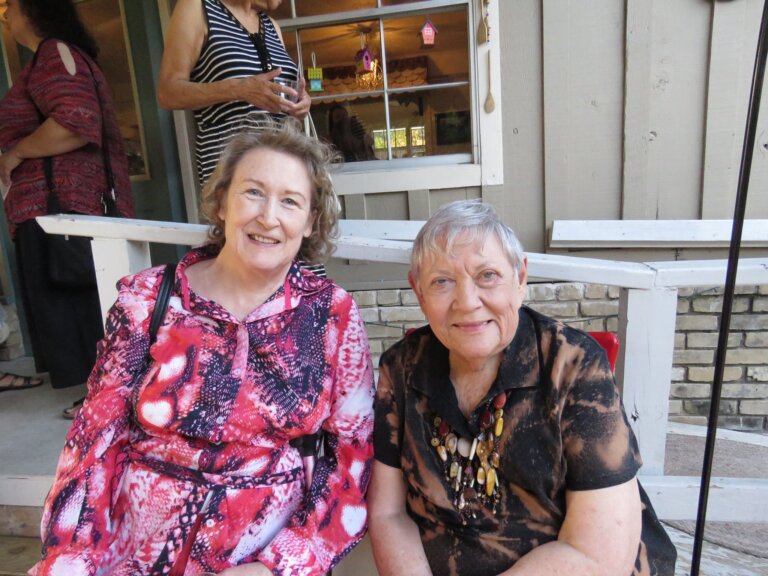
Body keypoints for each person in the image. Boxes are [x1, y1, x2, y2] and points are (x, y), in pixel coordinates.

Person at [31, 119, 374, 576]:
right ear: (223, 202)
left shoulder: (332, 313)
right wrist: (71, 558)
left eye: (290, 201)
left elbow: (352, 455)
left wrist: (281, 565)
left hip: (265, 554)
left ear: (311, 221)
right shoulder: (149, 299)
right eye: (253, 193)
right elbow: (93, 441)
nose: (268, 217)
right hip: (140, 548)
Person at [369, 200, 676, 576]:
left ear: (520, 278)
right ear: (418, 292)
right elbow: (388, 513)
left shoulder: (573, 365)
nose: (467, 302)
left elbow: (598, 554)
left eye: (487, 276)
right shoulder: (401, 368)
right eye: (442, 281)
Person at [0, 0, 134, 409]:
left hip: (63, 208)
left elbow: (74, 123)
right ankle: (103, 393)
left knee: (79, 302)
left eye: (11, 6)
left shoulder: (54, 52)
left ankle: (107, 396)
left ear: (34, 9)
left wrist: (15, 153)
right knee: (82, 301)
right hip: (61, 207)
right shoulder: (56, 54)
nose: (5, 13)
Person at [158, 0, 312, 185]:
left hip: (281, 165)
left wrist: (300, 103)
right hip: (232, 169)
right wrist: (238, 89)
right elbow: (167, 92)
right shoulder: (198, 7)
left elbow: (274, 95)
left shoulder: (272, 26)